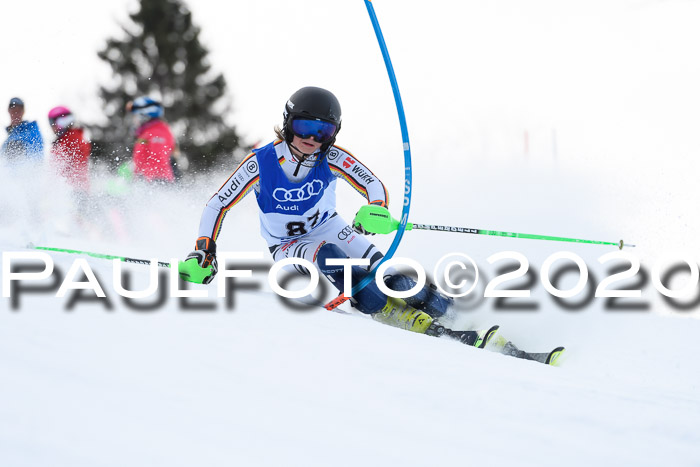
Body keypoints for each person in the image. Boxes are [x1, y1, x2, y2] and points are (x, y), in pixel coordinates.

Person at [178, 86, 496, 348]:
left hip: (331, 227)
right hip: (289, 245)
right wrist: (205, 249)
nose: (313, 139)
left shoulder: (330, 157)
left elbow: (372, 184)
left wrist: (377, 209)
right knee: (336, 261)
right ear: (289, 123)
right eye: (305, 127)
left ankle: (457, 316)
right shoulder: (260, 163)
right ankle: (390, 313)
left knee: (394, 278)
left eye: (323, 131)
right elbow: (217, 204)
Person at [126, 96, 175, 183]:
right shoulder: (146, 134)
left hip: (158, 183)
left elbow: (158, 160)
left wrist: (153, 182)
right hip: (146, 184)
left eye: (136, 116)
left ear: (145, 115)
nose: (134, 120)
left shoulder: (157, 132)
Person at [48, 106, 92, 195]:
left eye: (52, 123)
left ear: (61, 122)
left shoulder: (72, 138)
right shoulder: (65, 139)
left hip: (75, 190)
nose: (51, 127)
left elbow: (65, 167)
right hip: (69, 189)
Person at [1, 97, 44, 163]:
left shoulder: (32, 130)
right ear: (9, 111)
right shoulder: (8, 139)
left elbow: (37, 149)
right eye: (13, 111)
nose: (15, 114)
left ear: (23, 112)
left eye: (18, 111)